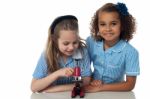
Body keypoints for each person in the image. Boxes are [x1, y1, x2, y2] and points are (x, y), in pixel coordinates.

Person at [85, 2, 140, 92]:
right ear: (97, 26)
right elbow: (84, 66)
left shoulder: (131, 52)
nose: (108, 29)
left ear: (122, 25)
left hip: (116, 93)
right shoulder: (91, 42)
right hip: (92, 90)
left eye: (113, 24)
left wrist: (101, 87)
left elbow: (130, 84)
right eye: (103, 24)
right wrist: (91, 80)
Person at [31, 15, 91, 93]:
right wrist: (57, 74)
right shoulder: (47, 55)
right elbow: (34, 87)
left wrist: (54, 89)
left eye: (75, 42)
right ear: (54, 40)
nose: (71, 47)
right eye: (66, 43)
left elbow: (86, 82)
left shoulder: (83, 52)